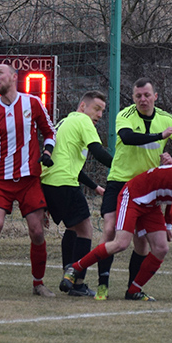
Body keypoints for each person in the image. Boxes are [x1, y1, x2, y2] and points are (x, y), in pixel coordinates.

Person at [61, 164, 172, 299]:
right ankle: (75, 268)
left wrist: (168, 227)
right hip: (134, 195)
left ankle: (134, 290)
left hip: (151, 205)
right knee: (121, 243)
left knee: (161, 248)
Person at [95, 78, 172, 301]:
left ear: (155, 96)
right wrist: (160, 137)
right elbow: (127, 138)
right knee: (110, 229)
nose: (143, 99)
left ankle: (133, 289)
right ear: (133, 98)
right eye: (138, 95)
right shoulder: (125, 115)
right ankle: (103, 284)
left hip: (146, 188)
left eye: (147, 95)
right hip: (120, 181)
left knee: (142, 244)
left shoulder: (166, 119)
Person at [0, 63, 57, 297]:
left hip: (29, 179)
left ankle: (38, 283)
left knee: (37, 232)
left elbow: (49, 132)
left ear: (14, 77)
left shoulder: (32, 103)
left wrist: (47, 153)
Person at [40, 90, 113, 297]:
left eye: (102, 111)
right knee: (86, 231)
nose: (99, 115)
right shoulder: (83, 121)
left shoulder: (65, 122)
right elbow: (98, 152)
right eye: (96, 109)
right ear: (83, 106)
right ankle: (78, 282)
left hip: (49, 182)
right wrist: (121, 167)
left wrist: (94, 186)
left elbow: (68, 161)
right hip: (64, 183)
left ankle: (68, 277)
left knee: (72, 228)